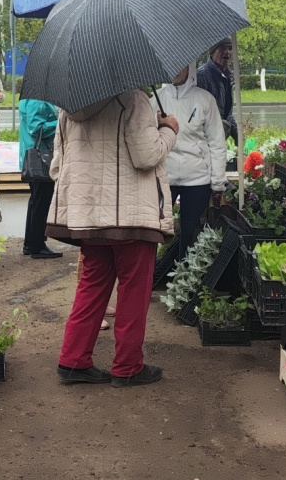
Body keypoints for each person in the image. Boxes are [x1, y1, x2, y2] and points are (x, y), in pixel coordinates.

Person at [50, 89, 179, 388]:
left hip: (88, 215)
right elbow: (147, 156)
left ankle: (73, 361)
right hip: (131, 216)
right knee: (134, 291)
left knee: (91, 286)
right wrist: (167, 130)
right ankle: (128, 366)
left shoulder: (70, 104)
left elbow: (58, 165)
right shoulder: (134, 99)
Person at [152, 62, 226, 266]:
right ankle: (149, 276)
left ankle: (185, 281)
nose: (175, 70)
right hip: (163, 176)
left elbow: (217, 142)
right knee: (156, 229)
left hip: (197, 178)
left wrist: (218, 183)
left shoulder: (204, 99)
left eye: (181, 65)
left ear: (190, 68)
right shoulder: (154, 101)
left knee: (190, 230)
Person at [19, 90, 61, 259]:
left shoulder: (32, 96)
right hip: (41, 157)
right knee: (41, 201)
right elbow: (36, 128)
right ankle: (37, 245)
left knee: (36, 200)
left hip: (33, 156)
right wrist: (59, 122)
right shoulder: (37, 99)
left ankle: (31, 243)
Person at [197, 38, 238, 143]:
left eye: (230, 48)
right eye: (222, 48)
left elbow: (227, 113)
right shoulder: (202, 76)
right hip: (205, 141)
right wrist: (218, 124)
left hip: (219, 139)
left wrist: (238, 136)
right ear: (212, 53)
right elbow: (198, 112)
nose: (227, 52)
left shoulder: (228, 77)